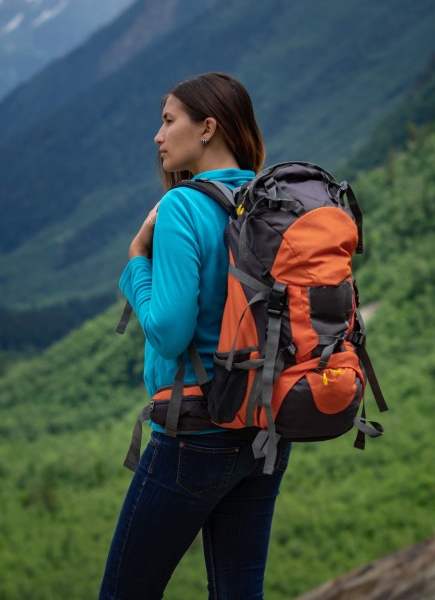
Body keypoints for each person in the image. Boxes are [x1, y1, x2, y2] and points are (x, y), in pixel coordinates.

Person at [99, 72, 292, 599]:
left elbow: (167, 331)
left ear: (207, 128)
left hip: (195, 434)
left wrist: (137, 260)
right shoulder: (269, 198)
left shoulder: (184, 205)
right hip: (265, 429)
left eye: (167, 121)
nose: (157, 136)